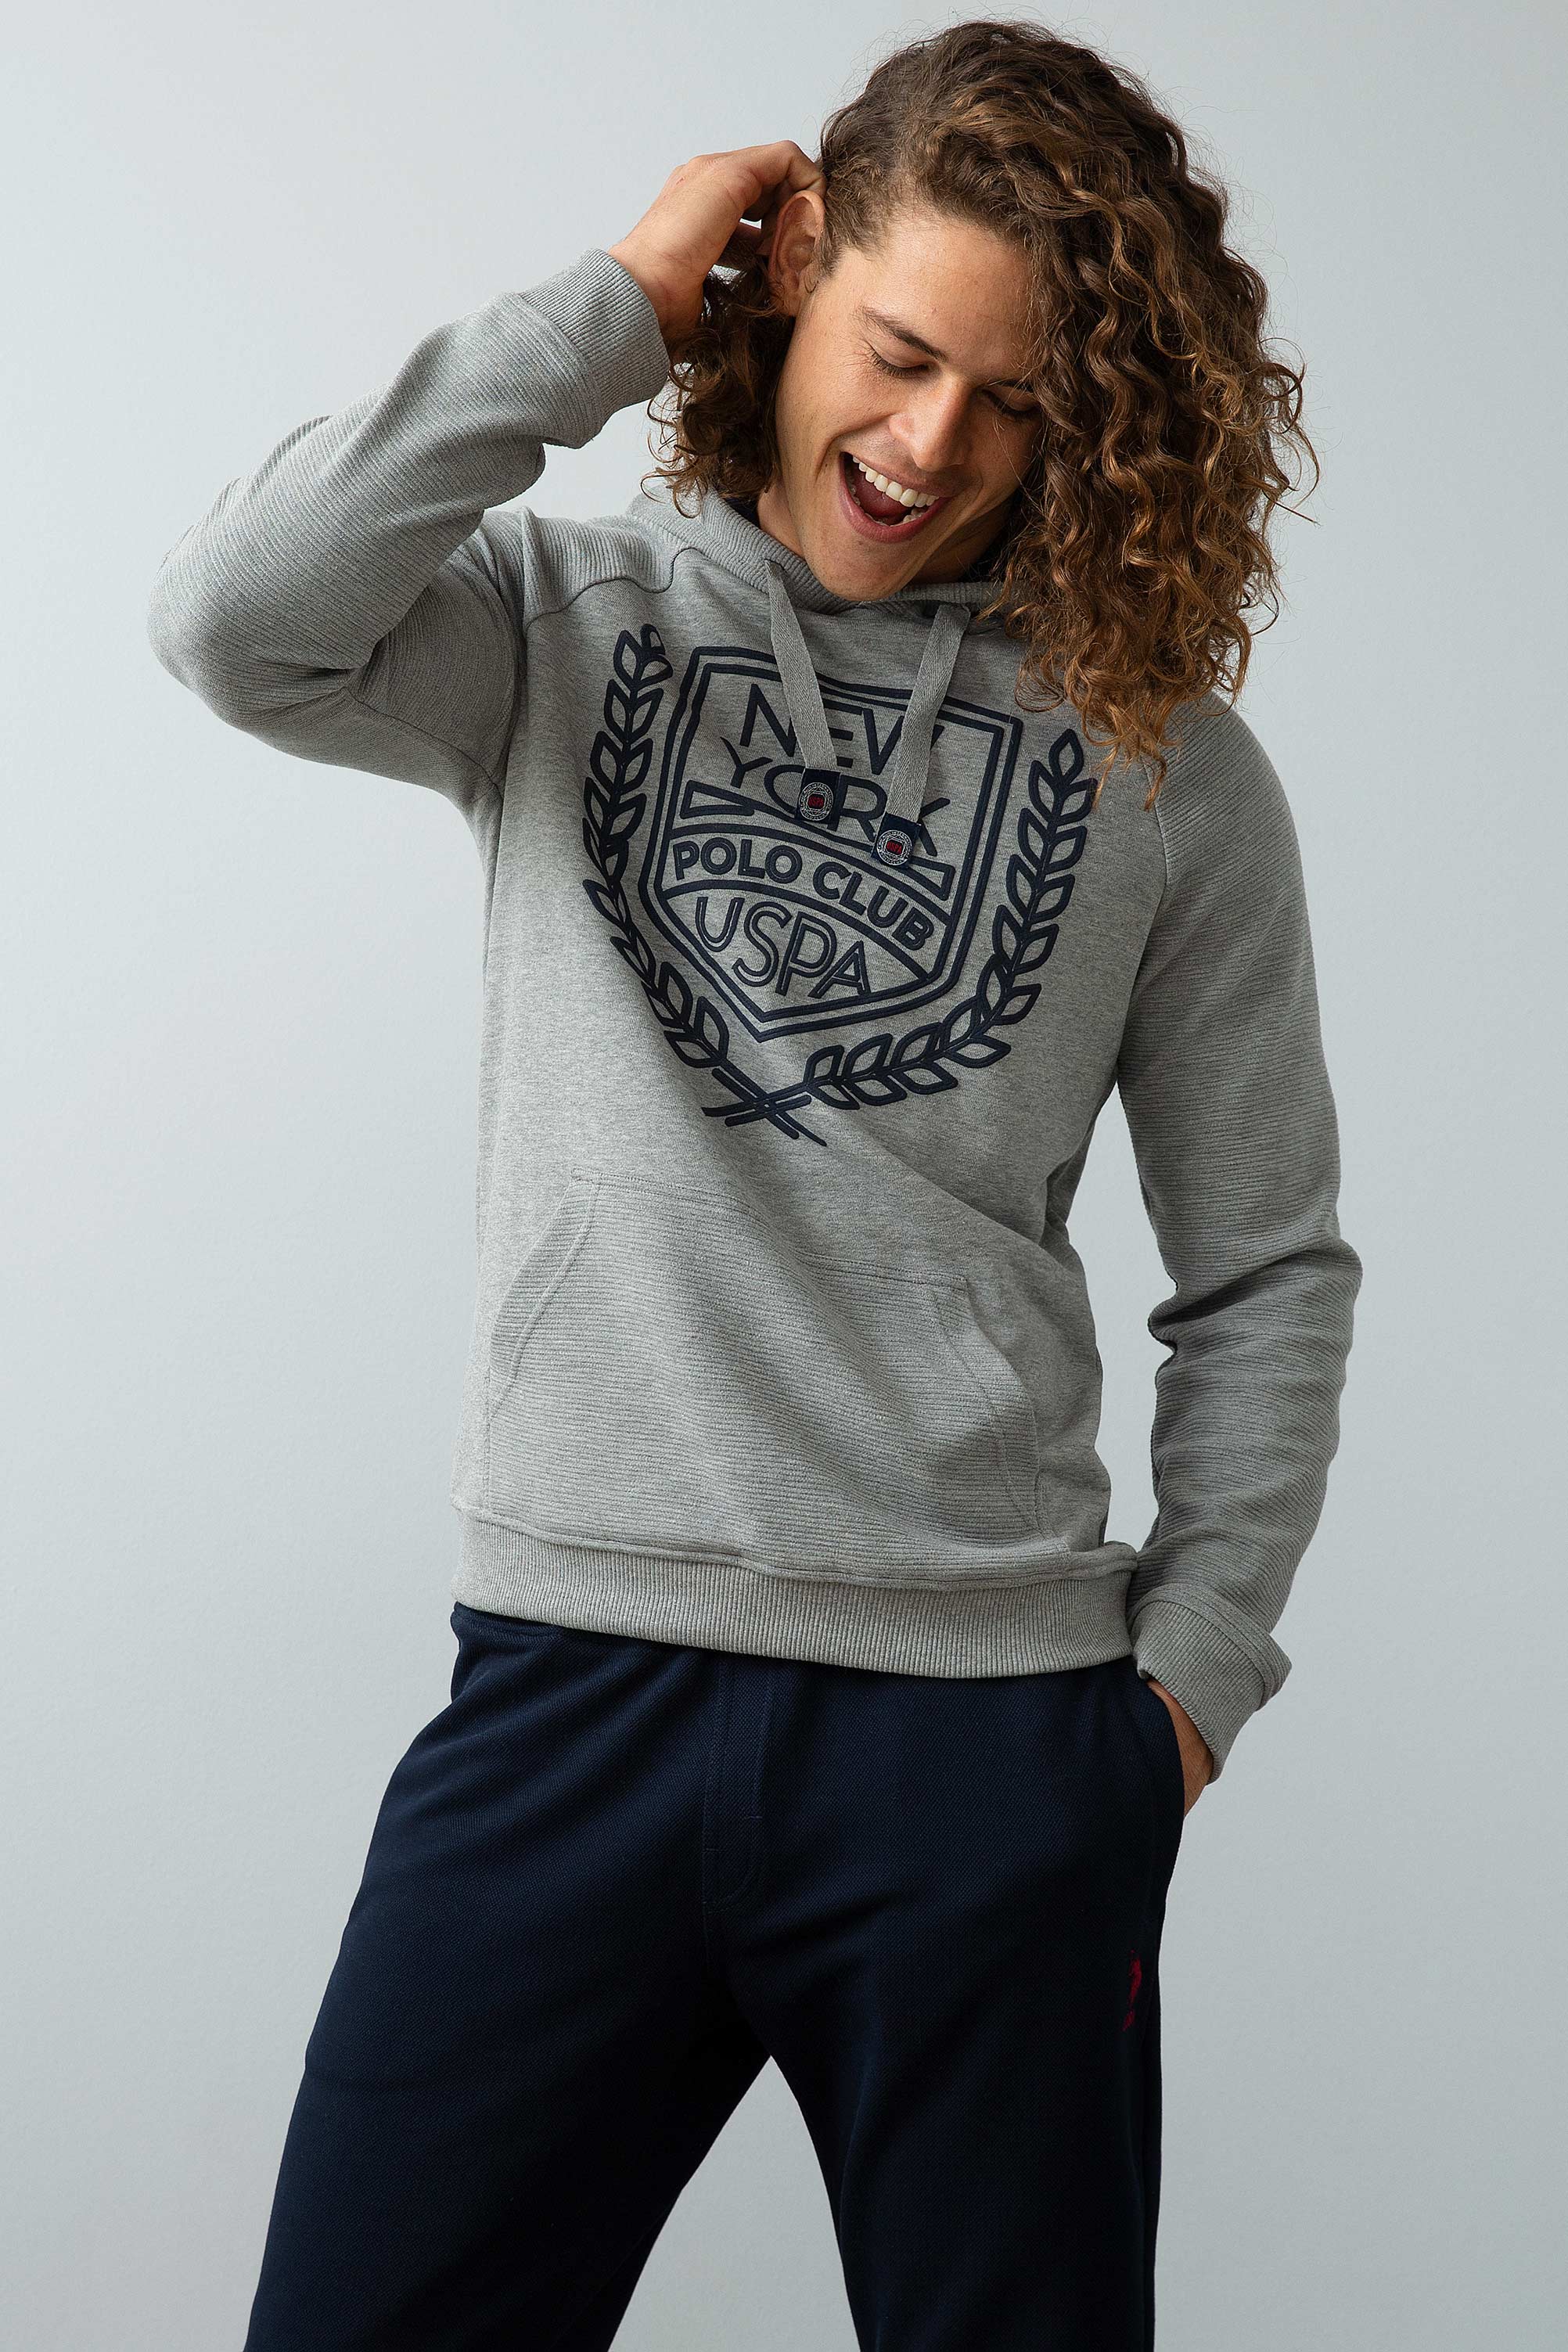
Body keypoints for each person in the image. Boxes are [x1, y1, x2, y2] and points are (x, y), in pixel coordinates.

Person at [147, 20, 1361, 2349]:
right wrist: (608, 306)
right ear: (790, 277)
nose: (932, 446)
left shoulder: (1167, 770)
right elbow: (236, 617)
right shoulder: (554, 626)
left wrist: (1181, 1700)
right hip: (571, 1698)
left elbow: (1268, 1271)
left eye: (1017, 404)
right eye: (898, 353)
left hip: (984, 1743)